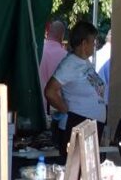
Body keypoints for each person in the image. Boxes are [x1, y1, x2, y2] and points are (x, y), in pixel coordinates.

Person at [45, 20, 106, 152]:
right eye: (93, 42)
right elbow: (50, 91)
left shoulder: (85, 62)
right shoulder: (70, 64)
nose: (95, 45)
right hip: (77, 124)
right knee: (75, 165)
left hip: (90, 126)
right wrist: (66, 110)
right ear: (84, 43)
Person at [38, 18, 67, 126]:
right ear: (62, 36)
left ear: (48, 32)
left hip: (37, 107)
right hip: (57, 110)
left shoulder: (37, 52)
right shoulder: (66, 57)